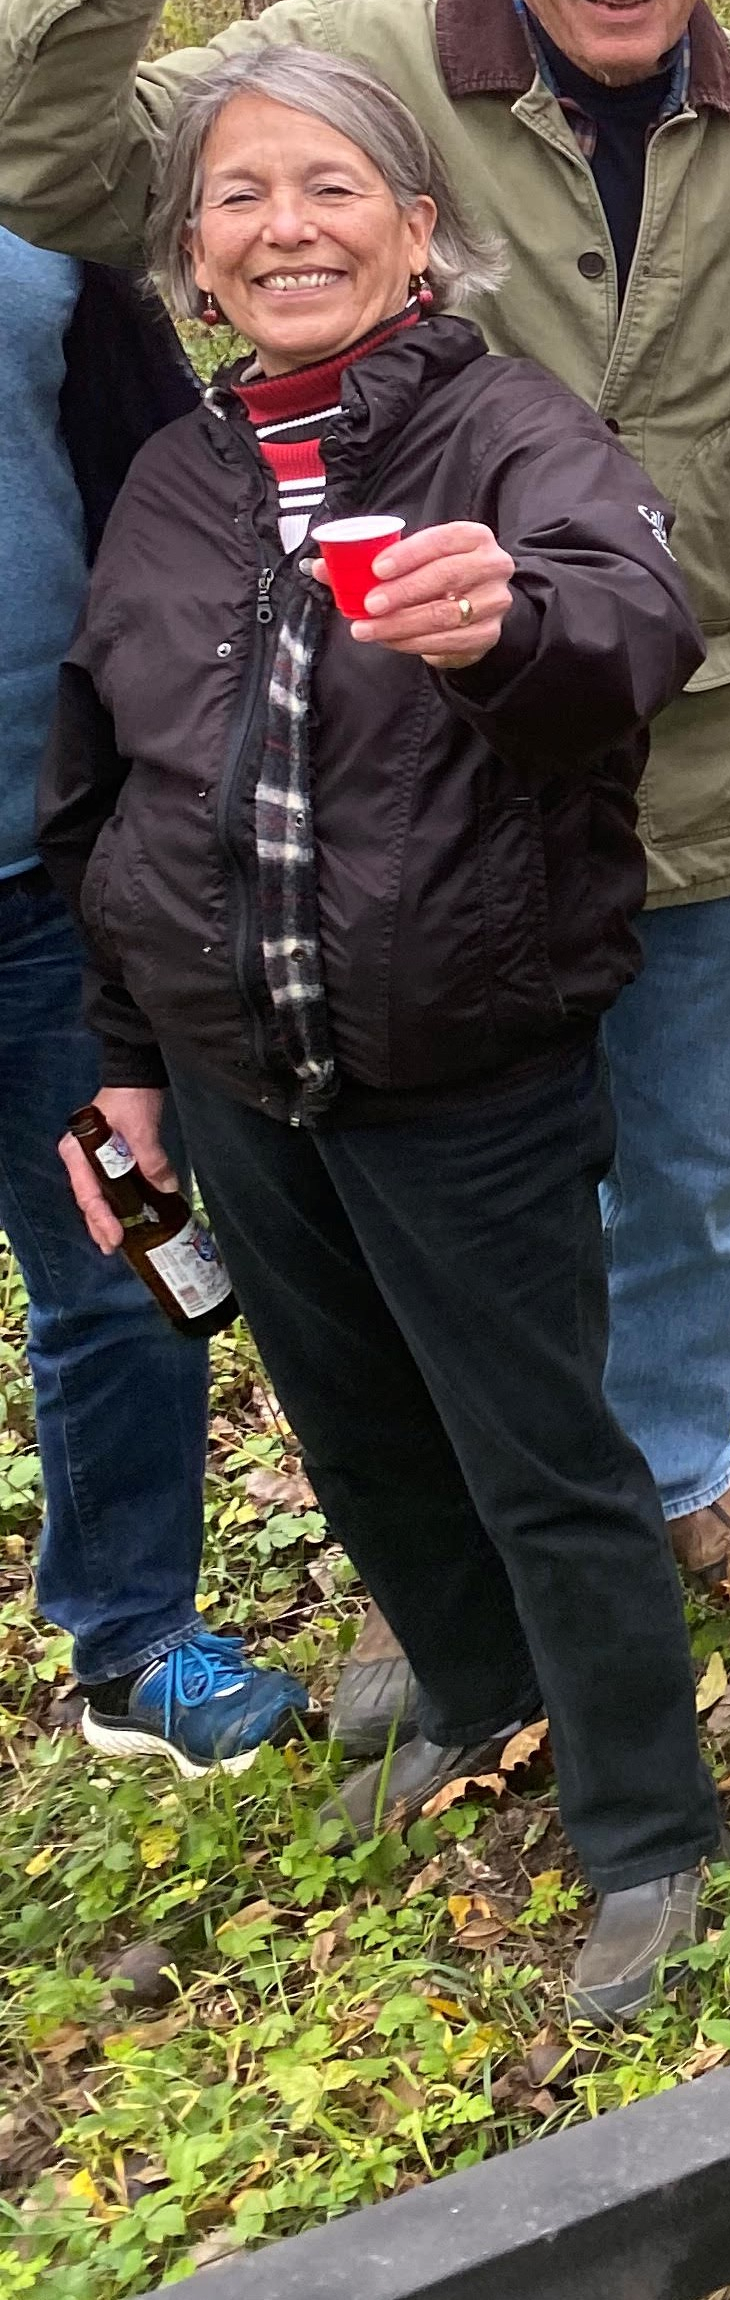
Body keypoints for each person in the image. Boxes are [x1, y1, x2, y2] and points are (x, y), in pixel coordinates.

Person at [0, 0, 730, 1733]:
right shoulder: (346, 69)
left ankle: (664, 1478)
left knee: (675, 1165)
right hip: (401, 813)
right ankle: (461, 1561)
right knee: (432, 1201)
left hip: (693, 750)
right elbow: (47, 160)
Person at [45, 46, 720, 2022]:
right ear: (195, 253)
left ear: (418, 230)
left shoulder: (508, 434)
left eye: (332, 186)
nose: (286, 227)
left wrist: (507, 621)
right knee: (351, 1419)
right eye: (244, 197)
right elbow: (115, 788)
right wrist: (126, 1049)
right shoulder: (175, 478)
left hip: (464, 1051)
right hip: (238, 1063)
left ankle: (646, 1827)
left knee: (541, 1448)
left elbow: (628, 629)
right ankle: (476, 1678)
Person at [0, 230, 312, 1770]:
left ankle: (135, 1637)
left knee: (125, 1254)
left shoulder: (48, 267)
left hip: (46, 886)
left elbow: (178, 530)